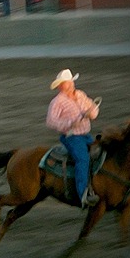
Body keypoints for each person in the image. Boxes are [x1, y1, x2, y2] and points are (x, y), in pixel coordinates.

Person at [46, 69, 101, 208]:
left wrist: (91, 113)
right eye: (67, 82)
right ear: (60, 86)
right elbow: (51, 121)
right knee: (82, 159)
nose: (70, 84)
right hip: (71, 137)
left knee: (99, 154)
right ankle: (83, 194)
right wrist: (70, 123)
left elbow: (93, 109)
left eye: (71, 81)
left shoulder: (81, 95)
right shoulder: (57, 102)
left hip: (86, 135)